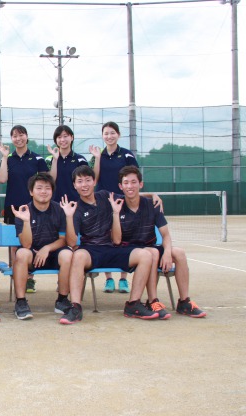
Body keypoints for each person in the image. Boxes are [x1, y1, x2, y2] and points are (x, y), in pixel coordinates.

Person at [58, 165, 158, 325]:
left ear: (94, 181)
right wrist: (68, 217)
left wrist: (152, 195)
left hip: (114, 248)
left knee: (145, 255)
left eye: (88, 180)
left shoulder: (105, 196)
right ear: (74, 185)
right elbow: (70, 242)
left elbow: (130, 195)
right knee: (78, 255)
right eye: (80, 181)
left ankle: (133, 304)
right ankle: (75, 307)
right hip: (91, 250)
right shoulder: (75, 208)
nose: (84, 185)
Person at [117, 166, 206, 318]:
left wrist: (167, 253)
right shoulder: (117, 205)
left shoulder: (153, 205)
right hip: (129, 250)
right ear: (120, 186)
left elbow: (165, 235)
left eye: (134, 182)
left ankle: (184, 302)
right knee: (151, 253)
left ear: (141, 184)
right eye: (126, 183)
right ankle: (153, 301)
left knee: (179, 253)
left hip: (150, 246)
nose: (130, 186)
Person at [10, 173, 73, 320]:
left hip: (53, 254)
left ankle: (62, 300)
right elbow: (26, 244)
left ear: (52, 191)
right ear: (31, 191)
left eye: (47, 188)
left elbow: (63, 240)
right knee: (21, 254)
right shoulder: (23, 211)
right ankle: (21, 302)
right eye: (39, 188)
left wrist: (47, 248)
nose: (43, 191)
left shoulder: (59, 210)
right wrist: (26, 221)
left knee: (68, 254)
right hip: (32, 255)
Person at [0, 124, 49, 294]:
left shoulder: (37, 159)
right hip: (12, 207)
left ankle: (30, 278)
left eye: (21, 135)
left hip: (34, 208)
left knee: (32, 241)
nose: (18, 139)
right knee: (14, 244)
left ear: (26, 136)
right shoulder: (9, 159)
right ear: (11, 139)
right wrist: (5, 158)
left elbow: (46, 182)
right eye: (15, 136)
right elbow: (2, 179)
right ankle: (18, 277)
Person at [91, 121, 140, 293]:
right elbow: (94, 179)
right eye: (106, 133)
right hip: (103, 203)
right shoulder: (98, 155)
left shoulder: (127, 155)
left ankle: (124, 279)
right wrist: (97, 158)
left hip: (122, 202)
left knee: (124, 238)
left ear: (118, 135)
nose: (109, 136)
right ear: (102, 136)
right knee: (105, 239)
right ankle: (109, 279)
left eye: (112, 133)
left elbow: (134, 178)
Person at [46, 125, 91, 203]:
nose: (62, 140)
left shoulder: (80, 159)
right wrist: (55, 159)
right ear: (55, 140)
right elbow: (50, 180)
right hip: (54, 203)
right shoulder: (49, 159)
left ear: (72, 137)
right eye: (59, 137)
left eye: (65, 136)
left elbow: (85, 181)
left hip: (76, 202)